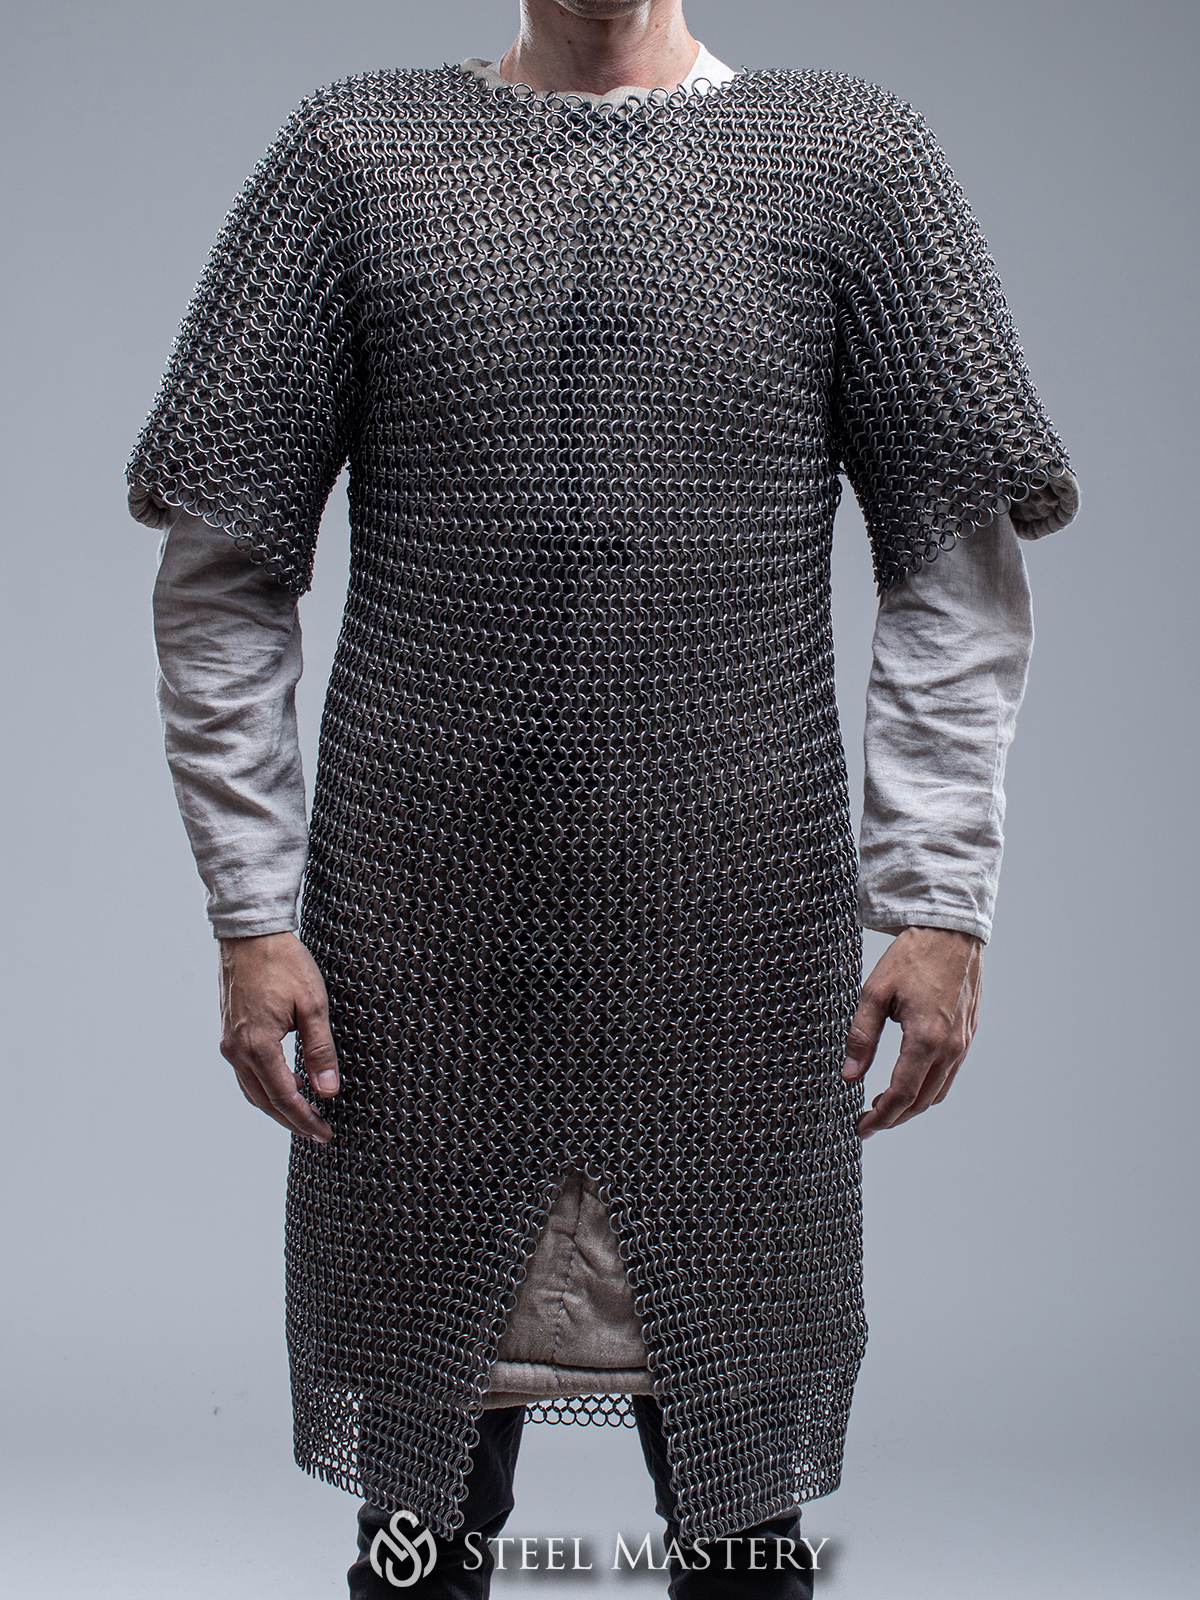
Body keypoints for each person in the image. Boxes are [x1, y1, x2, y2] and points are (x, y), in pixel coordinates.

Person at [129, 2, 1079, 1594]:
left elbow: (954, 575)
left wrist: (938, 894)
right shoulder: (355, 157)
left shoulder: (849, 165)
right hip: (422, 971)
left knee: (746, 1540)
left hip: (729, 965)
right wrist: (248, 913)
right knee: (419, 1547)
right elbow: (223, 573)